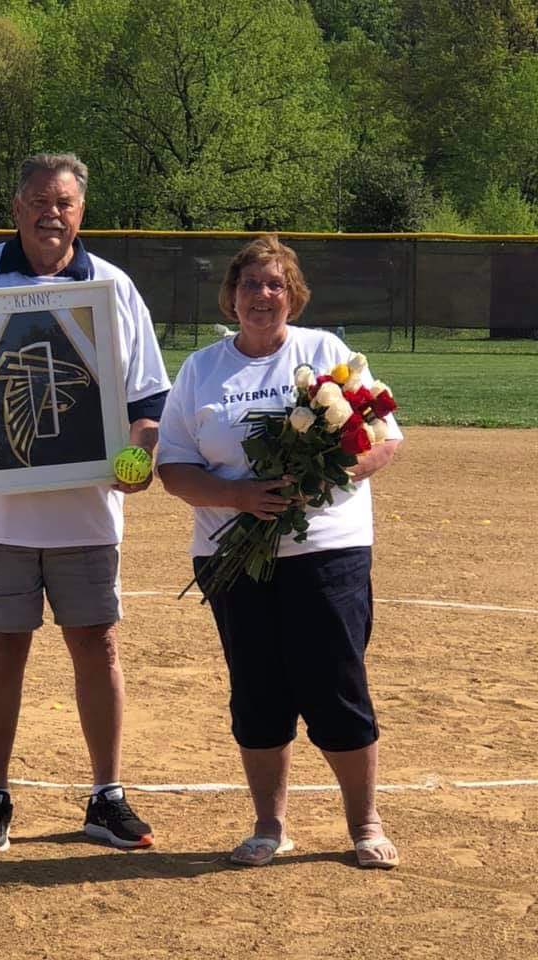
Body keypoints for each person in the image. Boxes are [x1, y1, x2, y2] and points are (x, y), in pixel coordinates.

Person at [0, 152, 171, 853]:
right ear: (16, 207)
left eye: (66, 202)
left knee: (98, 645)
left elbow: (147, 405)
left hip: (85, 511)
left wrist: (139, 458)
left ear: (83, 211)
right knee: (1, 650)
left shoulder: (110, 287)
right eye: (40, 200)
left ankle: (106, 796)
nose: (53, 212)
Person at [156, 235, 403, 868]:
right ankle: (269, 826)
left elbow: (383, 438)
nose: (262, 295)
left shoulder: (326, 353)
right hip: (231, 554)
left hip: (325, 549)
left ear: (293, 295)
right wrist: (239, 498)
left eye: (275, 284)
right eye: (249, 285)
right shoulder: (201, 369)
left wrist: (326, 477)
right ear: (231, 297)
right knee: (258, 690)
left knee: (335, 684)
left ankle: (365, 824)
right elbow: (175, 468)